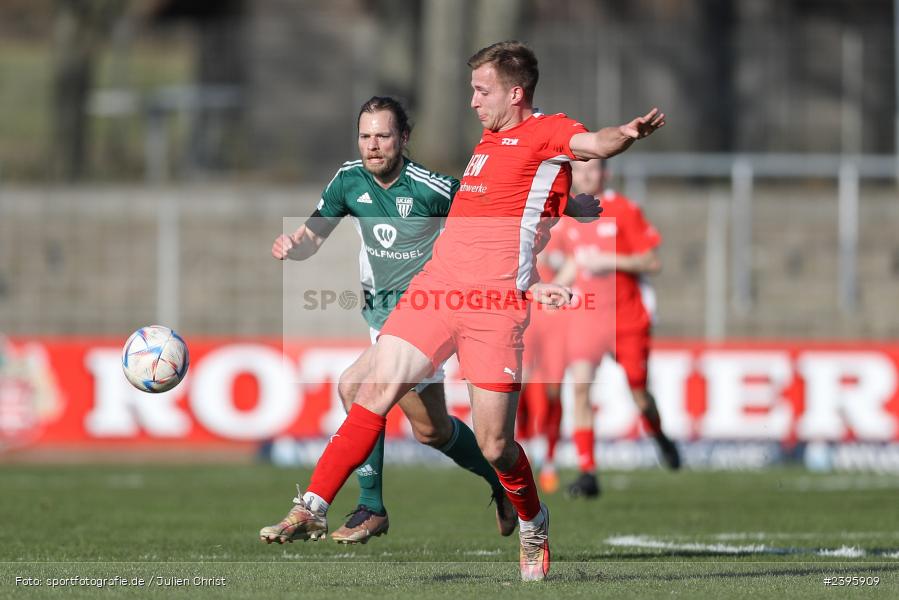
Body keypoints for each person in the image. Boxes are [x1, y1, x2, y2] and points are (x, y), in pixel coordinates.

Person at [260, 41, 665, 582]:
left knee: (496, 444)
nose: (472, 101)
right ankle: (311, 505)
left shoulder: (548, 131)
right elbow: (511, 200)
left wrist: (626, 135)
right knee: (371, 389)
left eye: (482, 90)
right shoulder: (490, 141)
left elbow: (591, 144)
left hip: (494, 309)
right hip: (437, 290)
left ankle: (533, 520)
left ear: (515, 93)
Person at [265, 96, 518, 544]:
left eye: (383, 135)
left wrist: (561, 204)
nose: (373, 145)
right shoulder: (348, 181)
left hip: (426, 319)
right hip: (382, 319)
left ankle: (369, 507)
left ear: (404, 138)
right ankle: (500, 481)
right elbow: (313, 235)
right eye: (365, 136)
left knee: (353, 387)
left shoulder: (431, 188)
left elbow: (489, 213)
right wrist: (294, 246)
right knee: (431, 431)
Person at [553, 158, 681, 500]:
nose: (585, 175)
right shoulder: (570, 217)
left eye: (592, 169)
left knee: (639, 395)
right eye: (579, 169)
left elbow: (652, 261)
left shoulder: (623, 210)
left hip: (626, 319)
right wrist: (554, 289)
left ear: (604, 174)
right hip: (587, 317)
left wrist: (610, 260)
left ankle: (660, 435)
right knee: (580, 388)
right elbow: (573, 265)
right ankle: (587, 472)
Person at [516, 233, 568, 494]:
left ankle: (550, 460)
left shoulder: (569, 222)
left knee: (554, 390)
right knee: (519, 384)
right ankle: (525, 448)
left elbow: (579, 261)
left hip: (556, 319)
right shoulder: (525, 216)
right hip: (526, 315)